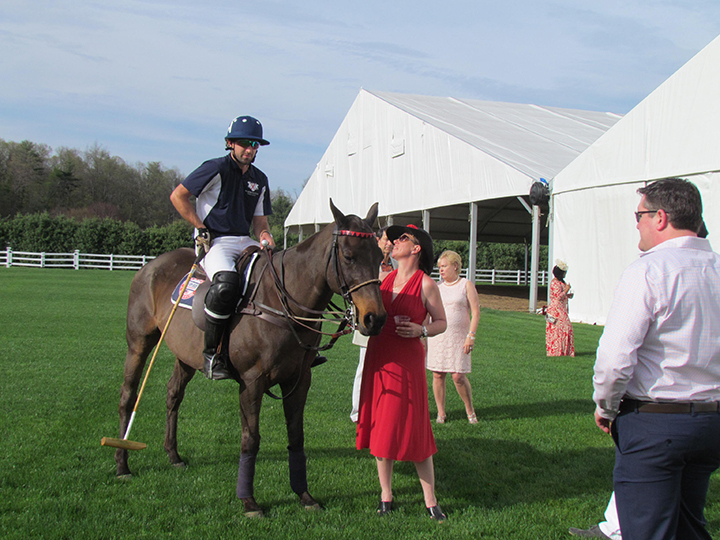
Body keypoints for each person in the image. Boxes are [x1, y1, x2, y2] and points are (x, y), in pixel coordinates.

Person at [593, 177, 720, 540]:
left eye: (640, 215)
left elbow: (615, 358)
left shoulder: (648, 270)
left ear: (660, 217)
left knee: (647, 530)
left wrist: (606, 406)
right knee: (690, 525)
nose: (637, 223)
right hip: (710, 421)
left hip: (655, 421)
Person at [170, 115, 276, 380]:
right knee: (227, 282)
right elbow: (178, 196)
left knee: (277, 274)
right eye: (244, 143)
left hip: (244, 240)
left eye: (255, 144)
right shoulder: (214, 168)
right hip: (216, 241)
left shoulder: (259, 179)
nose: (250, 149)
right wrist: (200, 228)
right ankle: (212, 355)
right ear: (230, 143)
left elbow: (260, 222)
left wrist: (265, 236)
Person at [356, 224, 448, 521]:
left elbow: (441, 322)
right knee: (382, 426)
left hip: (407, 360)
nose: (395, 242)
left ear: (417, 248)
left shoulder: (426, 285)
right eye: (394, 239)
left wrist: (421, 329)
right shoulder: (383, 279)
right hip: (379, 357)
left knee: (415, 427)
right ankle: (386, 494)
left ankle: (430, 500)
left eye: (402, 238)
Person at [426, 250, 480, 424]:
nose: (440, 270)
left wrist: (471, 335)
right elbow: (428, 311)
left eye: (444, 266)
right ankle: (441, 413)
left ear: (455, 266)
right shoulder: (436, 287)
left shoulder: (466, 285)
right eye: (439, 267)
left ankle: (470, 410)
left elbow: (476, 312)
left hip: (459, 337)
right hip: (438, 337)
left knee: (458, 376)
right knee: (437, 374)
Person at [350, 227, 395, 423]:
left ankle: (383, 409)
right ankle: (357, 412)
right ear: (377, 240)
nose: (389, 244)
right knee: (364, 366)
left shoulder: (395, 264)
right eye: (386, 240)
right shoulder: (368, 262)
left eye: (392, 241)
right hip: (368, 318)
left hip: (388, 322)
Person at [545, 259, 575, 356]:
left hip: (560, 308)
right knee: (561, 328)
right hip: (555, 309)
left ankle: (563, 351)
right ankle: (556, 350)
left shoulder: (561, 282)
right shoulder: (555, 283)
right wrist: (566, 290)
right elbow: (557, 297)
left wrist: (568, 294)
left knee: (562, 329)